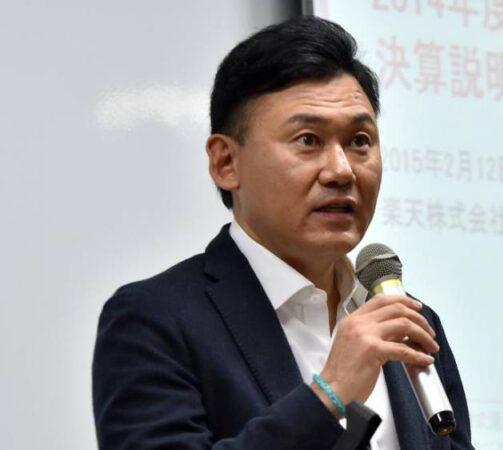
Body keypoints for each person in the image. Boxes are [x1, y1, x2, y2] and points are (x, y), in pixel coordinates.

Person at [92, 15, 472, 450]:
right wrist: (328, 395)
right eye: (308, 140)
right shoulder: (155, 320)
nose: (342, 170)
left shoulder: (412, 323)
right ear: (226, 162)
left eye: (359, 141)